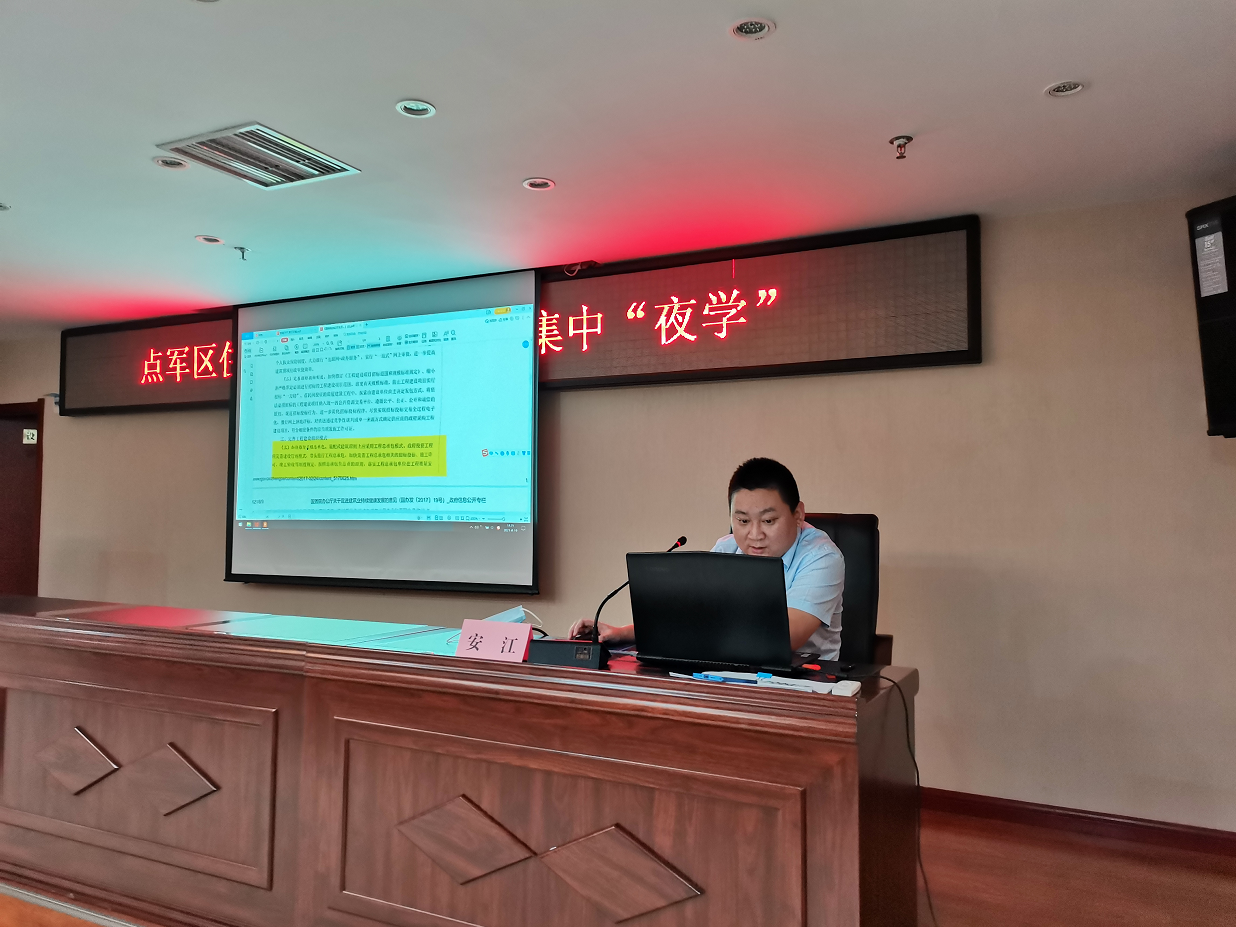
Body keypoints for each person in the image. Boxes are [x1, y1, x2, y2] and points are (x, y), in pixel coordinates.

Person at [569, 457, 845, 659]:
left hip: (808, 688)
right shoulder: (726, 549)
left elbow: (784, 637)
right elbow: (694, 620)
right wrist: (624, 633)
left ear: (798, 514)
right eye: (742, 521)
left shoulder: (822, 558)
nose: (755, 535)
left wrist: (705, 626)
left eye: (768, 521)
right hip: (730, 676)